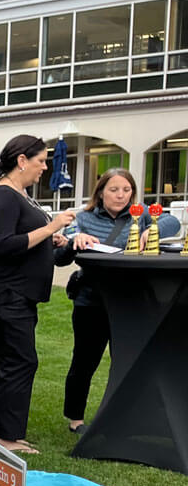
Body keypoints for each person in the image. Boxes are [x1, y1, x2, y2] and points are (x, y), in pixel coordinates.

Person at [0, 135, 76, 455]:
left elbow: (21, 241)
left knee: (10, 361)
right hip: (4, 293)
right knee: (21, 361)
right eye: (41, 160)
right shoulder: (2, 196)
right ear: (22, 160)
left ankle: (3, 432)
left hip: (14, 293)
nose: (45, 167)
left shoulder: (19, 196)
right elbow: (2, 245)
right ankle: (7, 438)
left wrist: (49, 242)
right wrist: (50, 228)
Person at [54, 168, 179, 434]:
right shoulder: (84, 218)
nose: (120, 195)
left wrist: (151, 230)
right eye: (113, 189)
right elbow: (59, 258)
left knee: (128, 361)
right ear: (100, 192)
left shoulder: (140, 214)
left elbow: (173, 223)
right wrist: (75, 240)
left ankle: (124, 416)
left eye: (126, 190)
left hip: (132, 301)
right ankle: (75, 419)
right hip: (92, 302)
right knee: (85, 361)